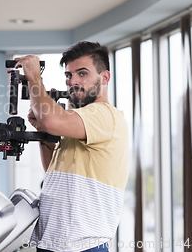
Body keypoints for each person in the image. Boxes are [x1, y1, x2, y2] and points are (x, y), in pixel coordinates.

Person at [14, 41, 129, 252]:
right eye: (69, 75)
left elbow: (52, 120)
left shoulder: (104, 114)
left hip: (81, 247)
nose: (73, 81)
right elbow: (53, 172)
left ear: (105, 77)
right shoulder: (78, 123)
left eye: (82, 73)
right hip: (53, 244)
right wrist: (46, 136)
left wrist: (34, 78)